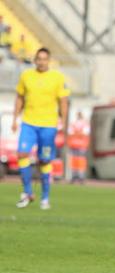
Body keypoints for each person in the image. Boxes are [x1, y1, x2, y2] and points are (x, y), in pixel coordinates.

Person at [12, 47, 70, 209]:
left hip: (48, 126)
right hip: (28, 123)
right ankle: (28, 192)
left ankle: (45, 198)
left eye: (44, 59)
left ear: (48, 60)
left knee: (45, 160)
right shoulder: (26, 76)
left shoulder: (57, 77)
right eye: (39, 58)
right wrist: (15, 118)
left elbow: (63, 101)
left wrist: (64, 123)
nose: (41, 62)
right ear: (35, 60)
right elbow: (20, 98)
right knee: (22, 153)